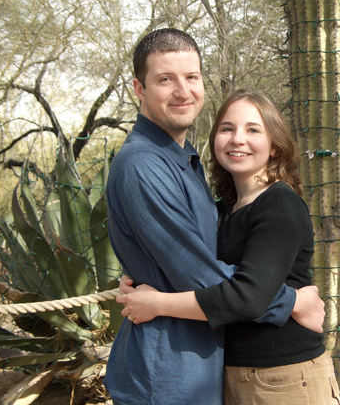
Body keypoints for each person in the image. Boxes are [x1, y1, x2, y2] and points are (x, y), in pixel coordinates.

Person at [104, 28, 325, 405]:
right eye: (165, 80)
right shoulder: (144, 166)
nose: (183, 91)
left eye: (191, 77)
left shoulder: (186, 163)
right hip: (169, 373)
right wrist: (290, 302)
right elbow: (198, 272)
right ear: (139, 90)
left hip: (218, 369)